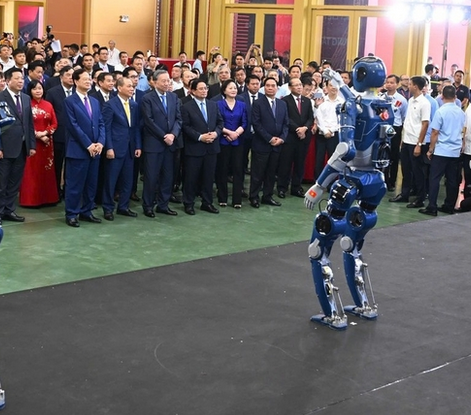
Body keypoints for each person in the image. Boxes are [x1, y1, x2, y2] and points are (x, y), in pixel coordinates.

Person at [63, 68, 105, 227]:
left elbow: (101, 123)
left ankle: (87, 211)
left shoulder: (94, 101)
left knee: (91, 184)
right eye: (85, 79)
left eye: (89, 79)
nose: (88, 81)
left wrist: (100, 142)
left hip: (95, 150)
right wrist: (88, 144)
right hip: (78, 150)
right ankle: (72, 214)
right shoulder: (69, 101)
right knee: (75, 185)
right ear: (76, 81)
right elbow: (73, 126)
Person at [140, 70, 182, 218]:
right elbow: (149, 121)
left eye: (168, 80)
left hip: (170, 144)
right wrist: (164, 136)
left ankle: (163, 205)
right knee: (151, 177)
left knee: (168, 177)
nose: (166, 83)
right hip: (154, 143)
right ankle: (148, 205)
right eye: (163, 81)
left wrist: (173, 134)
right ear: (154, 82)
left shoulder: (173, 97)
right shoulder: (147, 98)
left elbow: (178, 119)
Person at [419, 85, 466, 216]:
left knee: (434, 179)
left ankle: (432, 207)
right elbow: (462, 130)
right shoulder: (461, 112)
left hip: (441, 150)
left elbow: (435, 132)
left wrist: (430, 149)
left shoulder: (441, 111)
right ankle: (449, 206)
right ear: (455, 97)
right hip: (455, 151)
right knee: (452, 180)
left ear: (442, 96)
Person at [101, 77, 142, 220]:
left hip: (130, 149)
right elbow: (106, 128)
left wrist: (138, 145)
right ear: (119, 88)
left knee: (128, 180)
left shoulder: (134, 105)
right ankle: (108, 208)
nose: (132, 88)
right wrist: (109, 147)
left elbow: (135, 127)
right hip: (115, 148)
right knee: (111, 180)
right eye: (129, 86)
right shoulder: (110, 105)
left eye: (132, 86)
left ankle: (123, 207)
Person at [181, 78, 223, 215]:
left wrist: (216, 134)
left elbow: (220, 122)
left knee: (208, 177)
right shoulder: (186, 107)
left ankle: (207, 202)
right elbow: (185, 126)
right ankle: (189, 203)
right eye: (201, 89)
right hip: (195, 147)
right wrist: (200, 137)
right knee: (191, 177)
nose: (204, 91)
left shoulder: (213, 105)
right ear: (193, 91)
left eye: (206, 88)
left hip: (211, 147)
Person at [0, 68, 36, 224]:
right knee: (1, 183)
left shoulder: (26, 98)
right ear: (8, 80)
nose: (21, 81)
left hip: (22, 147)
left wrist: (31, 144)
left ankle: (9, 210)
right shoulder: (1, 97)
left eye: (22, 78)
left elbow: (29, 123)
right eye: (17, 78)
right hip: (5, 147)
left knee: (15, 182)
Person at [389, 76, 431, 206]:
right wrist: (403, 139)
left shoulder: (424, 103)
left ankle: (420, 198)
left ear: (416, 87)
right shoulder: (411, 100)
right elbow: (407, 121)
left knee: (417, 171)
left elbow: (425, 124)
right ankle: (404, 194)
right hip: (407, 140)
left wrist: (419, 144)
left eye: (410, 84)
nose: (408, 85)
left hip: (416, 142)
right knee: (405, 170)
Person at [249, 77, 289, 208]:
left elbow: (286, 124)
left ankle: (267, 196)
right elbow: (256, 124)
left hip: (277, 145)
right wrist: (269, 139)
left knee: (271, 173)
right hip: (262, 144)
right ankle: (254, 197)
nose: (270, 88)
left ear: (277, 88)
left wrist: (282, 138)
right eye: (267, 85)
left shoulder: (282, 104)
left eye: (273, 86)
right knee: (257, 173)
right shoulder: (258, 103)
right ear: (264, 87)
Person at [19, 80, 59, 206]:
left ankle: (48, 199)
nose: (38, 91)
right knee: (31, 170)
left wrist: (45, 133)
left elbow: (54, 123)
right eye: (35, 89)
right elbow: (24, 124)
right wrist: (38, 135)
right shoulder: (26, 104)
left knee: (47, 169)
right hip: (31, 142)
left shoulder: (48, 105)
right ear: (30, 91)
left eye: (40, 88)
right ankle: (30, 200)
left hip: (47, 143)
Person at [277, 77, 314, 198]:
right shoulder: (284, 101)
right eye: (296, 85)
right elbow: (286, 118)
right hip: (290, 136)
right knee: (285, 164)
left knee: (300, 163)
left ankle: (296, 188)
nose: (299, 87)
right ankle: (282, 188)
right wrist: (298, 129)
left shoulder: (307, 101)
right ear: (290, 87)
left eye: (300, 85)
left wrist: (305, 128)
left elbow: (310, 118)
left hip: (304, 137)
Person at [215, 79, 248, 208]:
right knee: (222, 169)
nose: (233, 90)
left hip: (238, 141)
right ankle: (222, 198)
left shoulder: (242, 105)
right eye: (230, 88)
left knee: (238, 170)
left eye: (235, 88)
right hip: (223, 140)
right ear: (224, 91)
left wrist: (236, 134)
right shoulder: (218, 104)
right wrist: (229, 133)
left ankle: (237, 200)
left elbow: (244, 122)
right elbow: (218, 122)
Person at [45, 65, 74, 199]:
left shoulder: (79, 91)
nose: (71, 78)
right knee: (57, 164)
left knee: (72, 165)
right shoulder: (52, 92)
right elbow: (48, 113)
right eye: (68, 75)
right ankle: (56, 191)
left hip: (75, 135)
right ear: (61, 77)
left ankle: (69, 190)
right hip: (59, 134)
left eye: (73, 75)